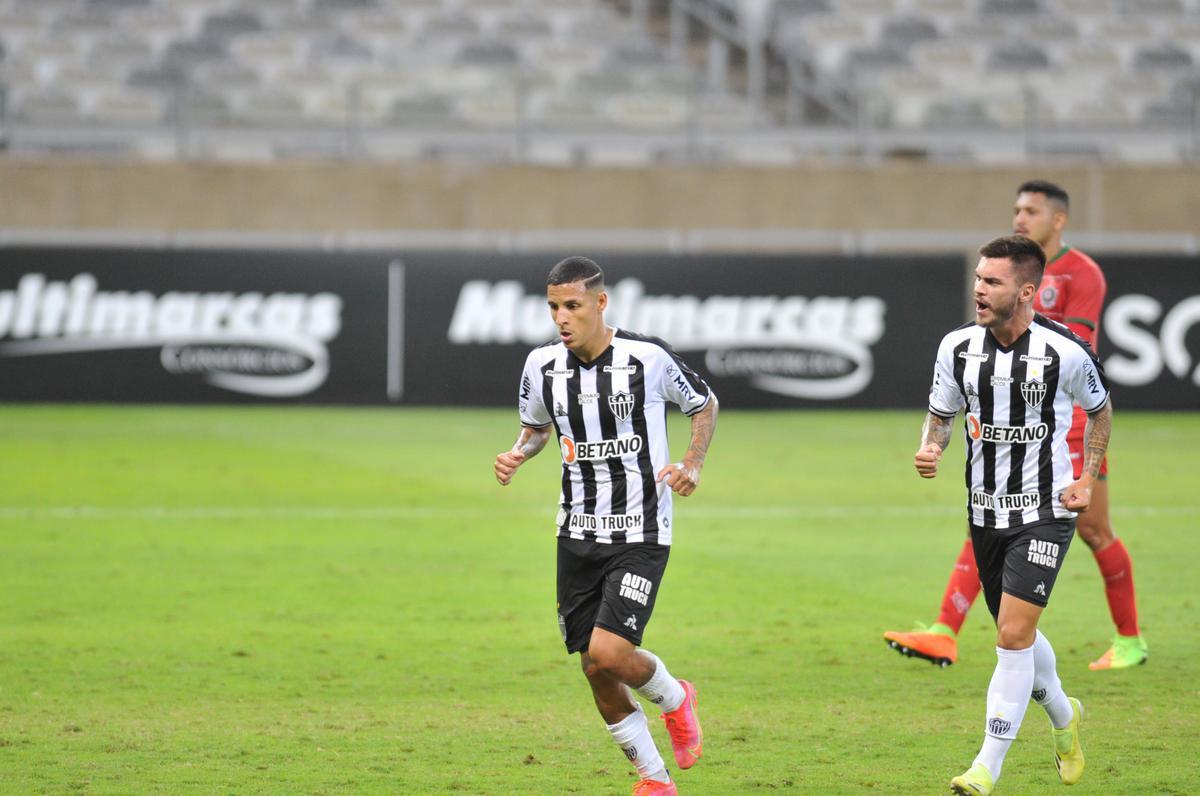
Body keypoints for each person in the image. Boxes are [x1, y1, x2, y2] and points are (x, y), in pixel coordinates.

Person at [884, 180, 1147, 671]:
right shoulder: (1001, 279)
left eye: (1031, 210)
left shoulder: (1080, 273)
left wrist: (1081, 465)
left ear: (1058, 219)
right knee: (989, 516)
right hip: (1014, 419)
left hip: (1063, 425)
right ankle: (945, 630)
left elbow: (1077, 354)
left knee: (1093, 529)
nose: (1020, 218)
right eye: (1016, 209)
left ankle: (1130, 638)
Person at [494, 256, 718, 796]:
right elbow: (536, 429)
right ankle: (655, 779)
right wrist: (520, 453)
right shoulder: (541, 366)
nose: (562, 318)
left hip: (640, 530)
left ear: (600, 302)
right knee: (594, 668)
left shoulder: (647, 358)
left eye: (572, 305)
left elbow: (704, 405)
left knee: (612, 652)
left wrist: (691, 465)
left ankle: (675, 698)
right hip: (575, 531)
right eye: (553, 307)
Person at [916, 235, 1107, 794]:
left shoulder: (1065, 352)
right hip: (984, 512)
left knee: (1013, 634)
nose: (979, 289)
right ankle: (1065, 718)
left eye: (992, 281)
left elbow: (1100, 412)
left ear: (1026, 291)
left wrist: (1088, 478)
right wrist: (932, 446)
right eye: (978, 277)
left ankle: (986, 766)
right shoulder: (955, 348)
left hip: (1046, 511)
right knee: (1015, 633)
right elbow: (941, 415)